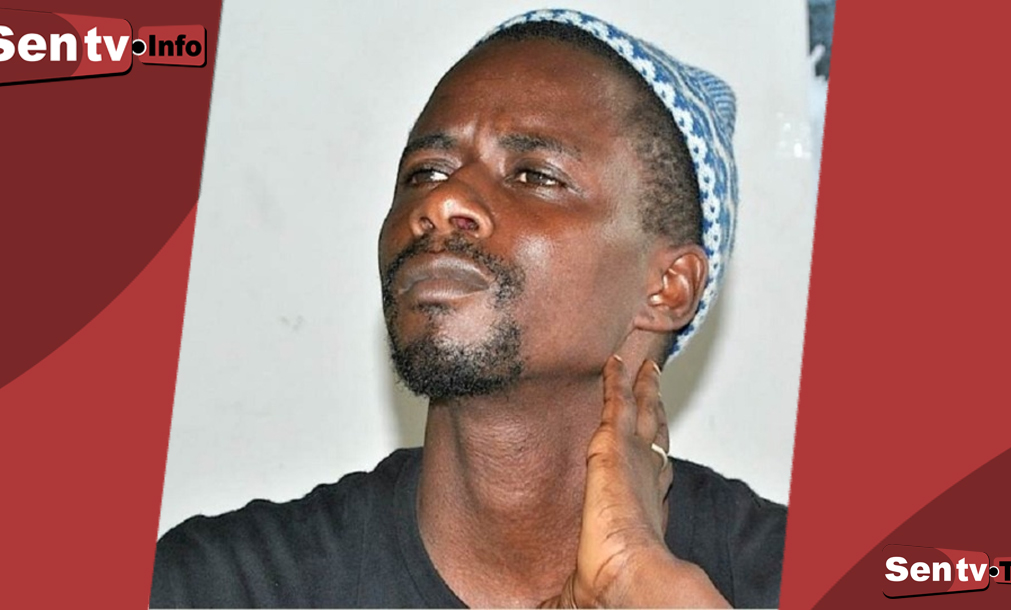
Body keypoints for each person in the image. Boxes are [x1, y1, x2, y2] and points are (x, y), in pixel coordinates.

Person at [151, 9, 785, 609]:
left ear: (668, 286)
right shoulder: (215, 586)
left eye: (534, 175)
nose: (442, 201)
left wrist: (638, 582)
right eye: (425, 172)